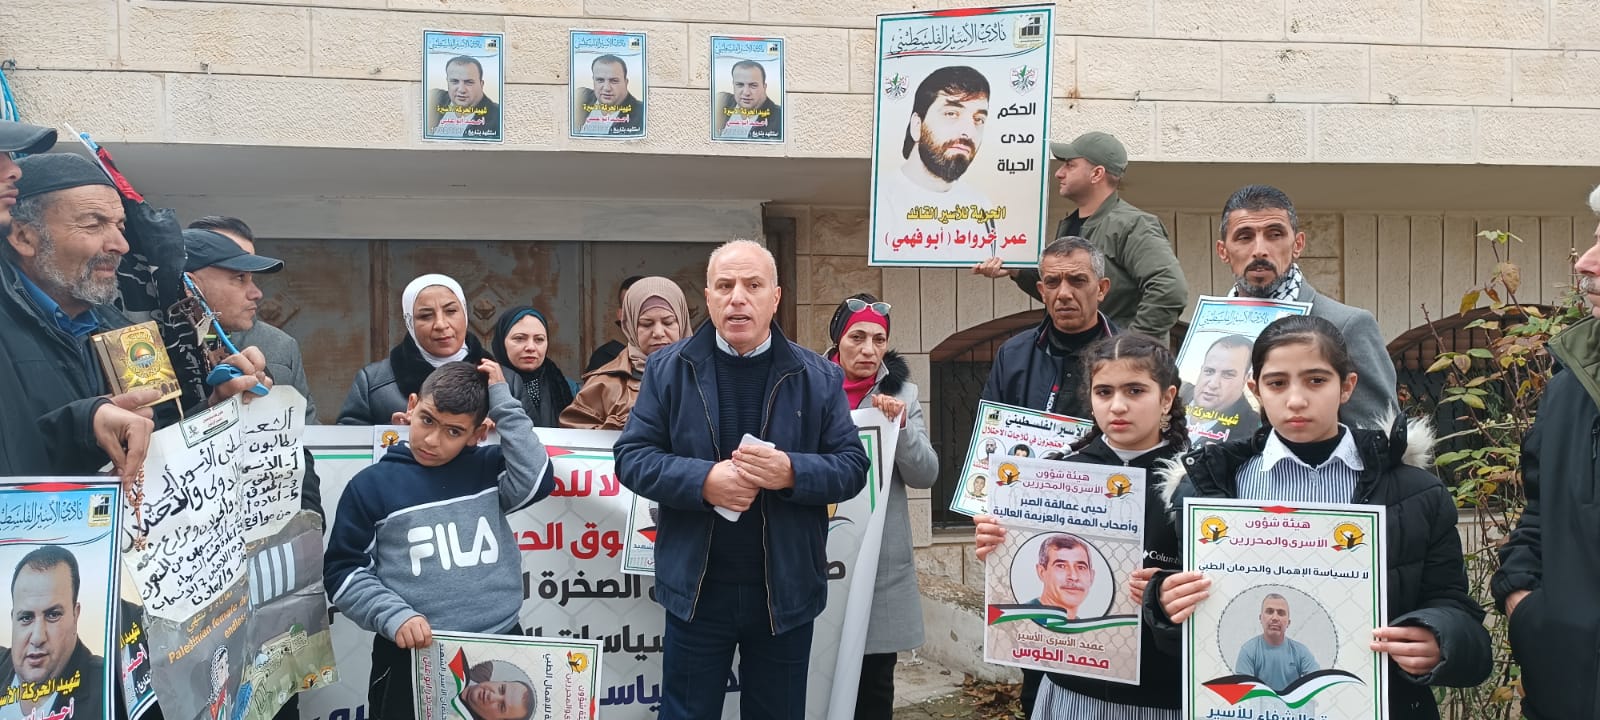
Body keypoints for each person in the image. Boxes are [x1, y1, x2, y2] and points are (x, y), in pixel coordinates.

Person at [1149, 315, 1491, 719]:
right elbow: (1189, 635)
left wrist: (1439, 637)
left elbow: (1458, 614)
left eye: (1316, 380)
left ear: (1347, 386)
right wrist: (1165, 605)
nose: (1296, 400)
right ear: (1255, 390)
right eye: (1277, 383)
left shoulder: (1414, 493)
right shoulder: (1207, 489)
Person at [614, 239, 870, 720]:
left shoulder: (817, 376)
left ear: (775, 297)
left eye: (753, 285)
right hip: (697, 592)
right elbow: (632, 457)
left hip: (785, 592)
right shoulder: (668, 370)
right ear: (708, 297)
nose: (738, 298)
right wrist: (703, 480)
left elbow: (853, 466)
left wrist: (791, 471)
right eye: (725, 286)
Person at [0, 149, 267, 480]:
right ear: (24, 237)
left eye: (120, 226)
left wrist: (215, 409)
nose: (120, 245)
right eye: (94, 224)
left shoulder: (128, 335)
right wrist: (84, 426)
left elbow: (160, 446)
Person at [324, 360, 555, 720]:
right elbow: (344, 572)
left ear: (478, 434)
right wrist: (395, 616)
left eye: (453, 431)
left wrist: (501, 398)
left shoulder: (488, 468)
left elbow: (538, 477)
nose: (433, 440)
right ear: (411, 406)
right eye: (427, 420)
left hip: (501, 643)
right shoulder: (370, 486)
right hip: (411, 654)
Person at [975, 332, 1188, 718]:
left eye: (1135, 390)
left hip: (1160, 695)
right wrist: (998, 543)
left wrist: (1172, 588)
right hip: (1070, 690)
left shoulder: (1197, 482)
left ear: (1167, 398)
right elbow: (1021, 579)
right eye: (1104, 392)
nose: (1118, 406)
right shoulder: (1054, 476)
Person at [1490, 184, 1600, 720]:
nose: (1585, 263)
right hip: (1566, 691)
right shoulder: (1569, 385)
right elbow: (1540, 510)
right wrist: (1524, 602)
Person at [822, 293, 939, 720]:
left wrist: (901, 427)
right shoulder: (806, 385)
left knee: (873, 685)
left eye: (879, 339)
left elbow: (926, 474)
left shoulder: (903, 393)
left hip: (878, 562)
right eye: (857, 337)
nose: (869, 349)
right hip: (819, 554)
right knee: (816, 673)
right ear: (838, 340)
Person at [1209, 184, 1397, 429]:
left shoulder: (1347, 325)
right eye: (1245, 237)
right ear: (1223, 251)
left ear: (1298, 244)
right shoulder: (1208, 329)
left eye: (1275, 235)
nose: (1260, 250)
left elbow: (1377, 435)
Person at [972, 131, 1188, 339]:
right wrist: (1017, 270)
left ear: (1097, 174)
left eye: (1070, 164)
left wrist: (1130, 346)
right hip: (1075, 356)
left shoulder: (1133, 225)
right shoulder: (1071, 225)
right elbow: (1066, 295)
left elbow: (1170, 289)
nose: (1059, 173)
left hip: (1114, 362)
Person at [339, 273, 519, 425]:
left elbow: (529, 443)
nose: (440, 324)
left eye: (451, 311)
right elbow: (349, 446)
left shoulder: (506, 381)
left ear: (464, 313)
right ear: (410, 322)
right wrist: (396, 434)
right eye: (425, 316)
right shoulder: (373, 382)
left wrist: (501, 427)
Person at [186, 215, 318, 423]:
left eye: (251, 277)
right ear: (191, 286)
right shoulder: (148, 345)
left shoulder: (280, 346)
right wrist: (214, 407)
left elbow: (305, 430)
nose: (257, 293)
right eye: (239, 277)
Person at [983, 236, 1118, 418]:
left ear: (1101, 289)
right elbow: (991, 425)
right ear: (1042, 292)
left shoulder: (1132, 357)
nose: (1064, 294)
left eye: (1077, 280)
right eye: (1052, 282)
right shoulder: (1013, 355)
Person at [562, 276, 687, 430]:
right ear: (630, 327)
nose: (658, 333)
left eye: (668, 322)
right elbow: (574, 434)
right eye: (646, 324)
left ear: (682, 322)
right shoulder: (603, 385)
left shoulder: (707, 374)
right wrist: (623, 426)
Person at [877, 66, 993, 229]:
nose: (969, 132)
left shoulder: (980, 208)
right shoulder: (881, 201)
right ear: (917, 125)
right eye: (951, 114)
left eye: (978, 119)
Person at [0, 547, 105, 720]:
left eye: (53, 615)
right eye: (26, 618)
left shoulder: (109, 689)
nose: (37, 638)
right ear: (13, 619)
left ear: (75, 615)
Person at [490, 306, 574, 427]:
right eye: (519, 338)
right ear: (501, 342)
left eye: (539, 339)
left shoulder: (567, 388)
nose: (531, 347)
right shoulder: (484, 385)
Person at [1182, 334, 1260, 444]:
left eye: (1227, 374)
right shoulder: (1176, 395)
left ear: (1245, 379)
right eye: (1209, 371)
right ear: (1201, 369)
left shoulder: (1250, 430)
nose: (1213, 384)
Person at [1234, 594, 1318, 692]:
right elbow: (1244, 691)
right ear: (1260, 618)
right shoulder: (1248, 651)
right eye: (1270, 612)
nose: (1275, 617)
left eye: (1281, 613)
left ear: (1288, 622)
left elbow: (1316, 681)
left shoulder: (1301, 652)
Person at [427, 55, 501, 139]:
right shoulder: (433, 98)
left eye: (469, 82)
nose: (461, 90)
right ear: (447, 82)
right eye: (454, 81)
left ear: (481, 84)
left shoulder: (498, 116)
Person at [585, 275, 645, 372]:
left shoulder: (669, 354)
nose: (637, 314)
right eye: (630, 307)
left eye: (644, 306)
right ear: (620, 314)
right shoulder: (604, 358)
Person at [574, 54, 644, 136]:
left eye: (614, 81)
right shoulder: (581, 96)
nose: (607, 88)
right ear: (593, 80)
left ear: (626, 82)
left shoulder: (641, 113)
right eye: (600, 80)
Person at [717, 60, 782, 140]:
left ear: (764, 87)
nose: (746, 92)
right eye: (740, 85)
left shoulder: (780, 118)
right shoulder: (721, 101)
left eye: (753, 85)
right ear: (733, 85)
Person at [458, 656, 536, 720]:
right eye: (502, 689)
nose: (492, 696)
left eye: (501, 707)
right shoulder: (481, 664)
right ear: (501, 681)